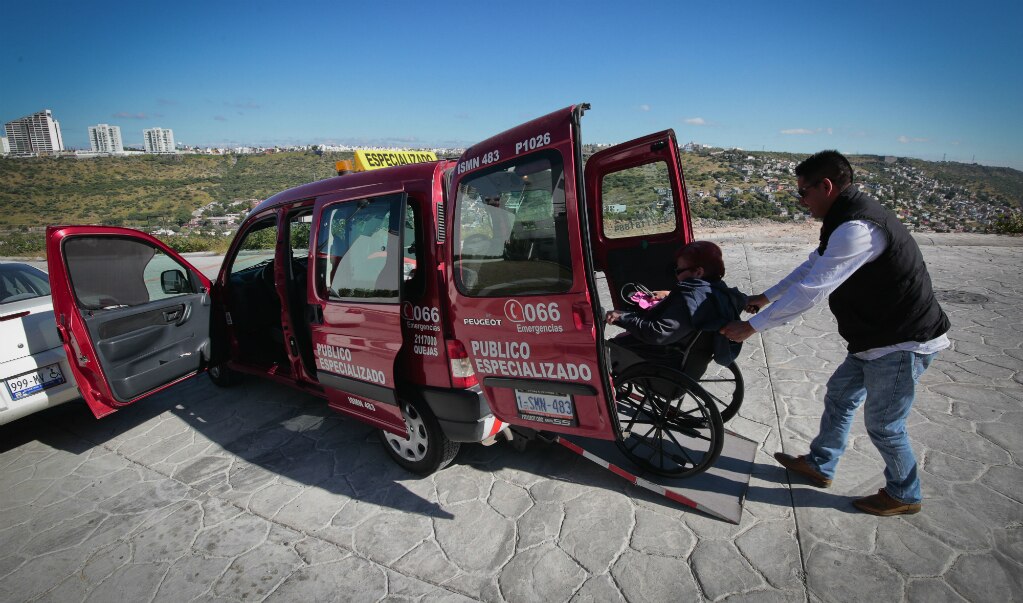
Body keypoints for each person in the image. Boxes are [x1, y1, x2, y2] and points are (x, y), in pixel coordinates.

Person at [720, 150, 950, 516]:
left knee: (885, 425)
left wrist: (751, 327)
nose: (801, 201)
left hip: (903, 340)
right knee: (841, 397)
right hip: (874, 337)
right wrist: (765, 297)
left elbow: (811, 291)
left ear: (826, 186)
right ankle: (820, 465)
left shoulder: (858, 229)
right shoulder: (844, 218)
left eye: (803, 192)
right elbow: (811, 267)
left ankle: (905, 495)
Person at [606, 240, 747, 379]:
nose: (676, 275)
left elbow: (658, 333)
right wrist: (668, 295)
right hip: (690, 362)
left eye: (679, 270)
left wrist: (622, 317)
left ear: (698, 272)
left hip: (666, 365)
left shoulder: (689, 299)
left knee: (609, 347)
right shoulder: (720, 293)